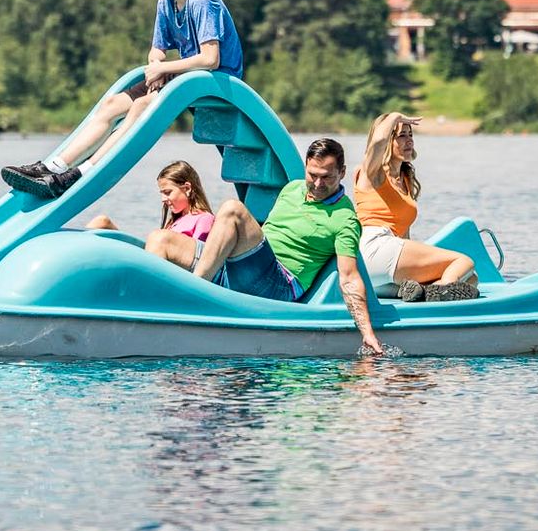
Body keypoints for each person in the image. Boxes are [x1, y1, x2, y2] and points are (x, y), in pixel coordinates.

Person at [2, 0, 243, 199]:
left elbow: (210, 59)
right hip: (189, 78)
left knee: (141, 106)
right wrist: (156, 66)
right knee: (112, 104)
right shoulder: (166, 2)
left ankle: (78, 174)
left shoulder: (202, 0)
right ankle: (52, 166)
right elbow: (157, 49)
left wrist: (163, 68)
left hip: (217, 83)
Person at [142, 138, 384, 355]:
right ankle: (142, 312)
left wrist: (367, 333)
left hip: (279, 283)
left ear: (342, 172)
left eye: (327, 176)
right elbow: (268, 233)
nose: (318, 183)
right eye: (312, 175)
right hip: (248, 269)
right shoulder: (292, 189)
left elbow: (349, 278)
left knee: (233, 210)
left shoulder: (345, 219)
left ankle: (193, 294)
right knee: (160, 239)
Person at [354, 112, 478, 302]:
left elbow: (404, 237)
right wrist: (394, 117)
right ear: (388, 140)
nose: (409, 140)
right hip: (372, 247)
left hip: (383, 269)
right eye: (401, 135)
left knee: (471, 279)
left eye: (410, 135)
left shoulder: (405, 179)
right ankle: (442, 293)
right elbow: (377, 141)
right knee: (463, 262)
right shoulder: (372, 173)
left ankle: (428, 291)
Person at [85, 160, 216, 260]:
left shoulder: (204, 219)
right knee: (102, 222)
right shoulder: (175, 221)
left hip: (170, 272)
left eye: (167, 192)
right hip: (151, 259)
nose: (163, 199)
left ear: (187, 188)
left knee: (158, 237)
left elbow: (199, 262)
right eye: (162, 193)